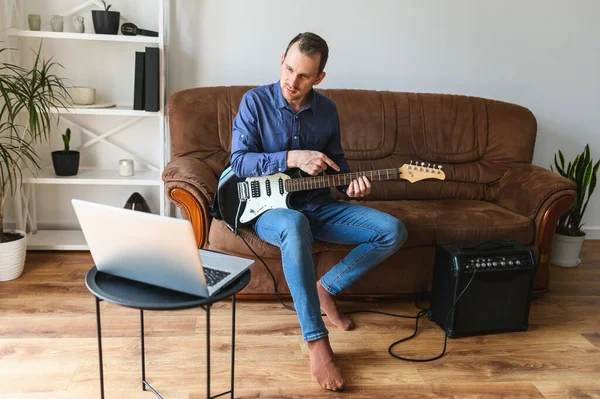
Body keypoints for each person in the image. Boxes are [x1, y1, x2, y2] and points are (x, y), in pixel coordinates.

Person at [230, 32, 407, 391]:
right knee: (294, 224)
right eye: (289, 69)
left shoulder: (327, 110)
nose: (292, 82)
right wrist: (290, 158)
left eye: (304, 76)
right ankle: (316, 340)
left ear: (319, 78)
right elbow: (239, 163)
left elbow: (337, 165)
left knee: (393, 231)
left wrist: (349, 184)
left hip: (317, 204)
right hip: (270, 212)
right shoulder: (254, 102)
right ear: (282, 59)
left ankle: (327, 287)